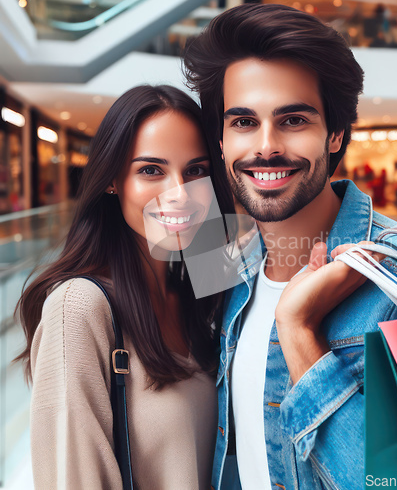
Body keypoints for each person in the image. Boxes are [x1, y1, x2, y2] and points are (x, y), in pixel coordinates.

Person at [183, 3, 397, 490]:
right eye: (242, 122)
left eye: (294, 120)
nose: (266, 146)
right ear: (219, 141)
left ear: (336, 134)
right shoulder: (226, 268)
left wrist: (299, 332)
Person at [15, 85, 235, 489]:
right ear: (113, 180)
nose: (179, 194)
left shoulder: (202, 289)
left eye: (196, 170)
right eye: (151, 170)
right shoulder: (78, 307)